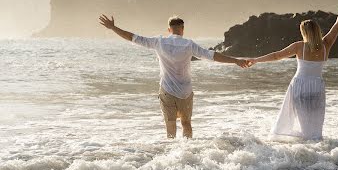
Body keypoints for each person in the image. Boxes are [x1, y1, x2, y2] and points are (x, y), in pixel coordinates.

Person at [98, 14, 249, 138]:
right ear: (182, 29)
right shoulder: (189, 44)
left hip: (167, 91)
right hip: (186, 92)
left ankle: (172, 158)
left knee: (170, 126)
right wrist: (235, 61)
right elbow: (212, 56)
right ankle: (187, 155)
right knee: (186, 124)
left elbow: (133, 37)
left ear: (169, 29)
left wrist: (113, 28)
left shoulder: (159, 42)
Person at [248, 0, 338, 140]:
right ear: (317, 31)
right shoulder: (326, 44)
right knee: (314, 129)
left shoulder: (299, 46)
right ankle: (318, 151)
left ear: (304, 33)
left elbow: (276, 55)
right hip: (317, 87)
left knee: (301, 124)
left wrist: (256, 60)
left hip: (300, 85)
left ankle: (303, 153)